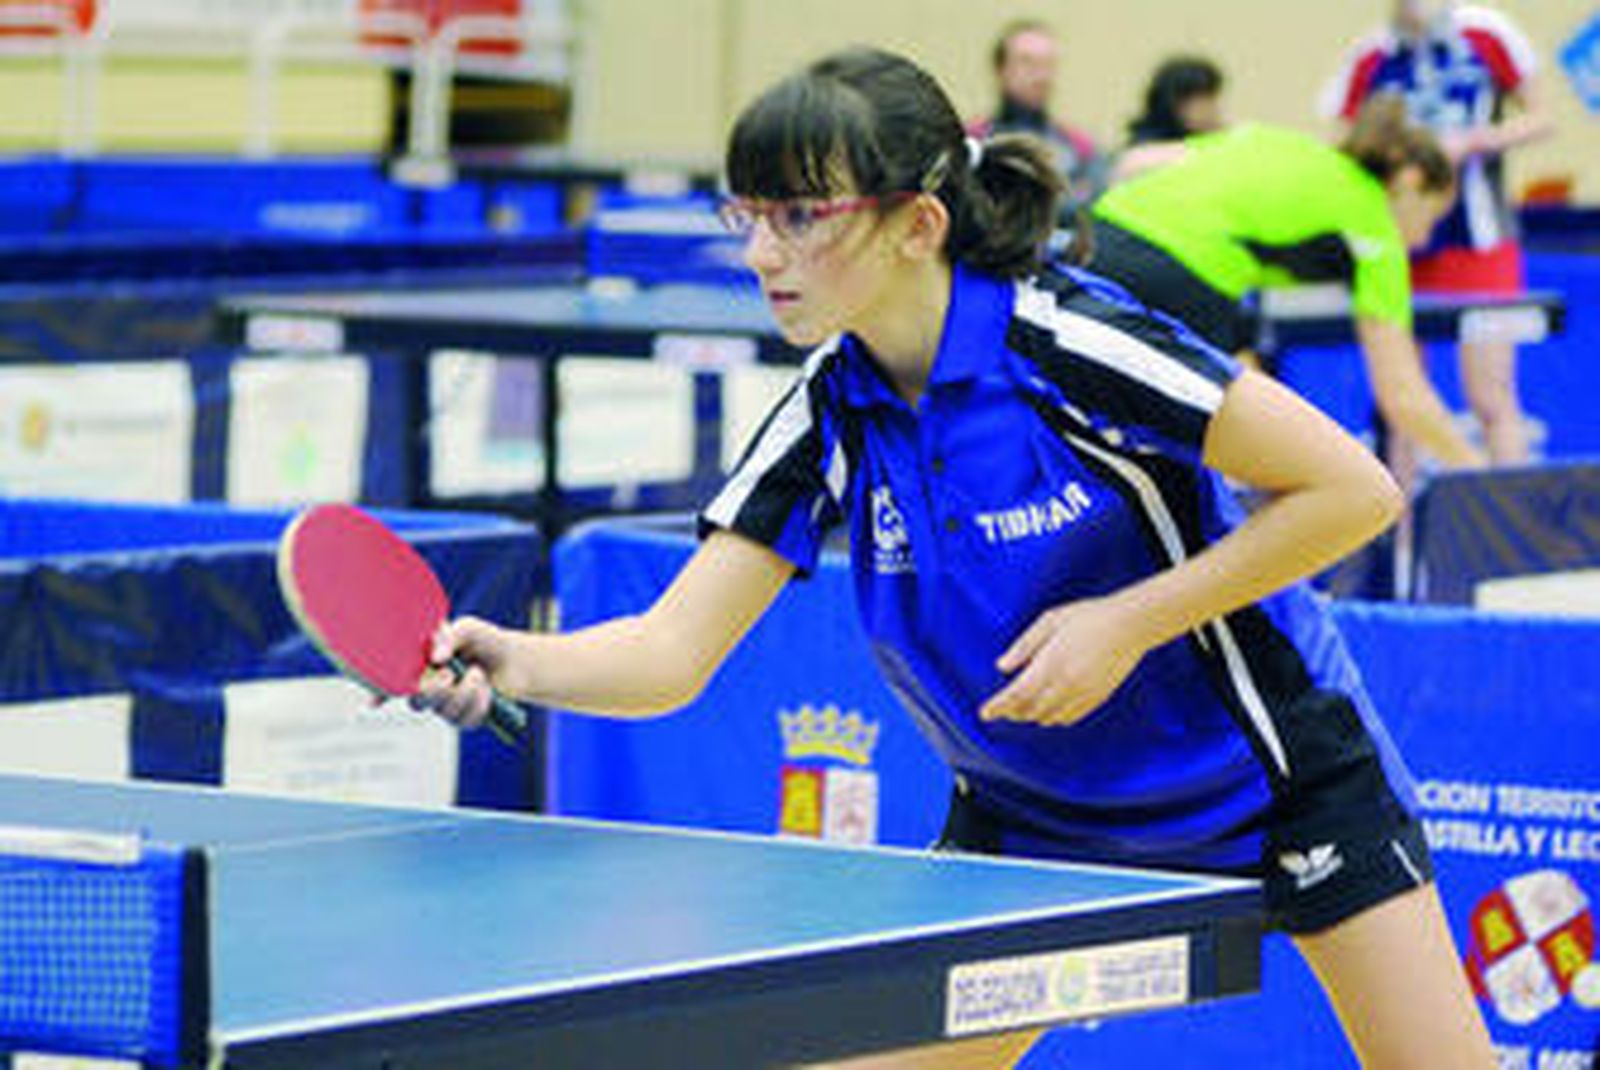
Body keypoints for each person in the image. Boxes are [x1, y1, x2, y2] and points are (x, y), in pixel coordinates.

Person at [416, 47, 1495, 1070]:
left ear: (916, 224)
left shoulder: (1064, 345)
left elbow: (1353, 488)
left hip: (1270, 783)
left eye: (800, 215)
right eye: (747, 213)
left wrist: (1127, 619)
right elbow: (670, 651)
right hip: (1034, 813)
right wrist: (514, 659)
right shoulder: (830, 410)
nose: (760, 252)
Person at [1089, 100, 1486, 474]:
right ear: (1410, 182)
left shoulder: (1278, 140)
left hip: (1097, 236)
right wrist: (1477, 470)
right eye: (1431, 218)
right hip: (1181, 273)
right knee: (1274, 452)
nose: (1421, 240)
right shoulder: (1374, 228)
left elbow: (1133, 163)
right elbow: (1402, 394)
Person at [1323, 0, 1554, 467]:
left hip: (1479, 240)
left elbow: (1541, 117)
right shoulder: (1372, 54)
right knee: (1399, 404)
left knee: (1493, 400)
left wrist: (1472, 141)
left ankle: (1507, 533)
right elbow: (1343, 148)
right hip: (1398, 247)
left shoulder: (1488, 32)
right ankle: (1399, 536)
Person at [968, 19, 1107, 215]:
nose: (1041, 75)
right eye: (1027, 62)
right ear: (1000, 70)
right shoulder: (972, 141)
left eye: (1048, 64)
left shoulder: (1081, 147)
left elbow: (1094, 206)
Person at [1112, 54, 1227, 184]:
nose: (1211, 111)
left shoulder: (1216, 142)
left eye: (1212, 101)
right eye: (1202, 102)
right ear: (1174, 103)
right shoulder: (1144, 154)